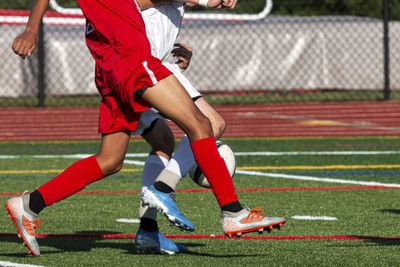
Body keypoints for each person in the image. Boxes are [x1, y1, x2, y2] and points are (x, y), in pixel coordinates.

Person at [6, 0, 285, 258]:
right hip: (130, 57)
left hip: (114, 65)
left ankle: (30, 205)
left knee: (110, 161)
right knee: (202, 124)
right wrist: (31, 30)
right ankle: (231, 210)